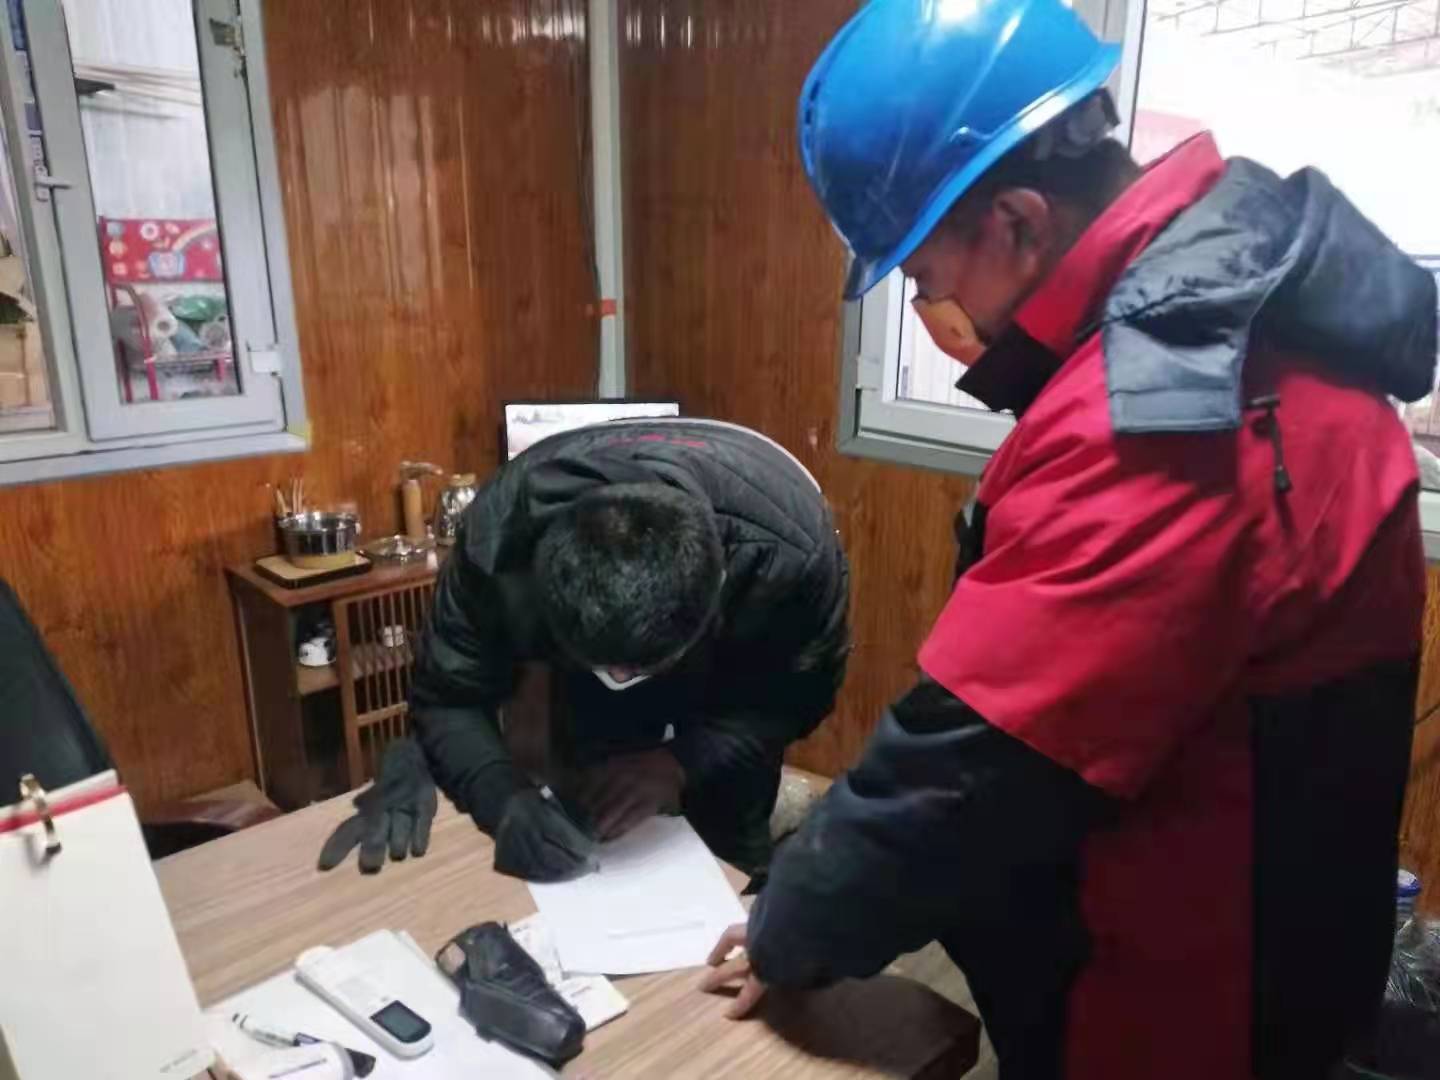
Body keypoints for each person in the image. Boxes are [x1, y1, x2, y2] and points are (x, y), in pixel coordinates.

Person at [701, 1, 1437, 1077]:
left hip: (1181, 1007)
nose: (938, 312)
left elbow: (970, 770)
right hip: (1269, 946)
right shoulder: (1247, 312)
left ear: (1017, 221)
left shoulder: (1167, 415)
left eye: (929, 278)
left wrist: (791, 922)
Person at [398, 417, 849, 883]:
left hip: (736, 665)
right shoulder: (497, 540)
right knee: (587, 813)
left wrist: (682, 761)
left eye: (635, 668)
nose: (618, 679)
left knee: (724, 849)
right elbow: (446, 696)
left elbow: (796, 701)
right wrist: (502, 795)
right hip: (585, 662)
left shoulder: (790, 557)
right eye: (602, 665)